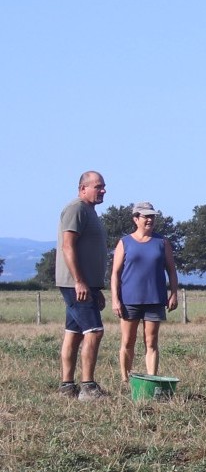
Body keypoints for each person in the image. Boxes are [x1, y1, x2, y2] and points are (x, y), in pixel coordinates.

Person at [111, 201, 179, 384]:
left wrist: (173, 293)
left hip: (155, 299)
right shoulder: (124, 242)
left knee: (151, 342)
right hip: (129, 300)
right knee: (128, 341)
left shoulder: (162, 242)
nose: (150, 220)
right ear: (136, 219)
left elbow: (171, 270)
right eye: (146, 216)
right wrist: (115, 299)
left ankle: (151, 379)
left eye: (152, 216)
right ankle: (125, 379)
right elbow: (115, 273)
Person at [56, 171, 110, 399]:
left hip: (87, 284)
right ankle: (88, 387)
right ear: (82, 189)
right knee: (94, 332)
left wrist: (95, 286)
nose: (103, 190)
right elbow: (68, 246)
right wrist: (79, 281)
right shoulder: (76, 208)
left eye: (103, 186)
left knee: (74, 333)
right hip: (75, 284)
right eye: (98, 186)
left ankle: (67, 387)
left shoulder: (90, 211)